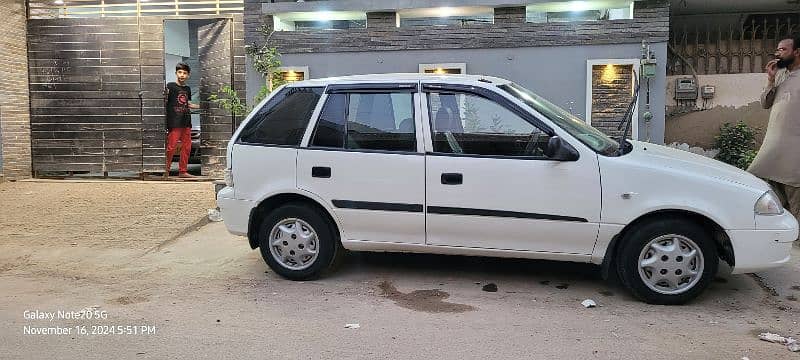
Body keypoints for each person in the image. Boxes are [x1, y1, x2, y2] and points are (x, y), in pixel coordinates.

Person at [748, 34, 800, 222]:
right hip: (772, 150)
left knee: (796, 205)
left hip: (794, 154)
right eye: (777, 49)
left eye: (783, 49)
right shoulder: (779, 75)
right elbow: (765, 103)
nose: (777, 53)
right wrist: (770, 80)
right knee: (753, 185)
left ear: (797, 52)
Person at [164, 62, 200, 178]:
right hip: (175, 122)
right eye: (180, 72)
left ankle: (182, 171)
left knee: (187, 147)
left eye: (185, 73)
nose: (182, 75)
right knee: (171, 147)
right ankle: (166, 171)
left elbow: (186, 103)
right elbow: (164, 99)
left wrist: (200, 106)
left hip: (186, 122)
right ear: (176, 73)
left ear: (188, 75)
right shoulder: (170, 86)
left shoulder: (187, 89)